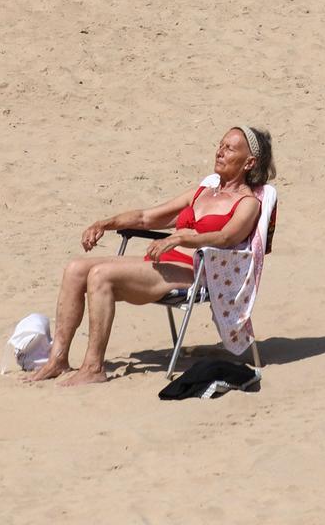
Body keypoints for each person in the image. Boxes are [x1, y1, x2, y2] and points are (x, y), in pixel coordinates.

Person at [27, 125, 274, 385]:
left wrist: (180, 237)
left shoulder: (248, 204)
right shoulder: (202, 193)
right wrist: (105, 223)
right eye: (220, 145)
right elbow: (147, 217)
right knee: (76, 268)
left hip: (200, 273)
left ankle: (93, 367)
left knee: (101, 275)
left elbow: (227, 237)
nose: (220, 152)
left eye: (229, 149)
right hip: (165, 264)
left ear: (249, 162)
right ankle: (58, 359)